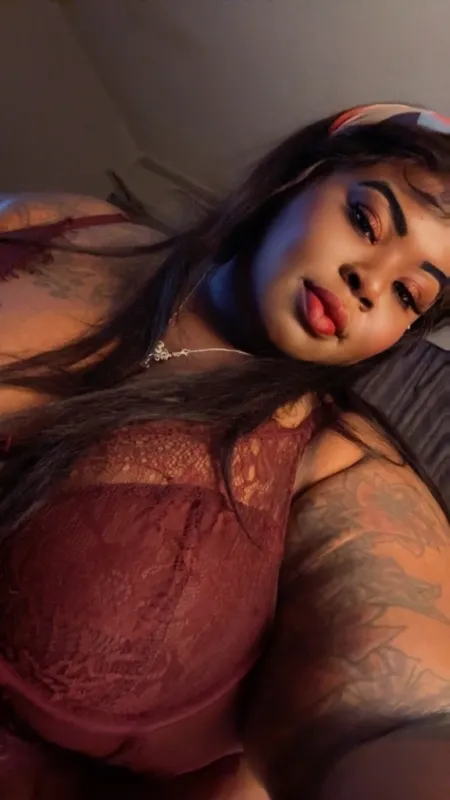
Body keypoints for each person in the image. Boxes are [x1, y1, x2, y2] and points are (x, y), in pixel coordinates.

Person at [0, 102, 447, 798]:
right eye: (366, 221)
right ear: (297, 180)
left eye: (408, 294)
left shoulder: (342, 468)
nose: (370, 282)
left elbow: (397, 714)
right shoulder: (62, 223)